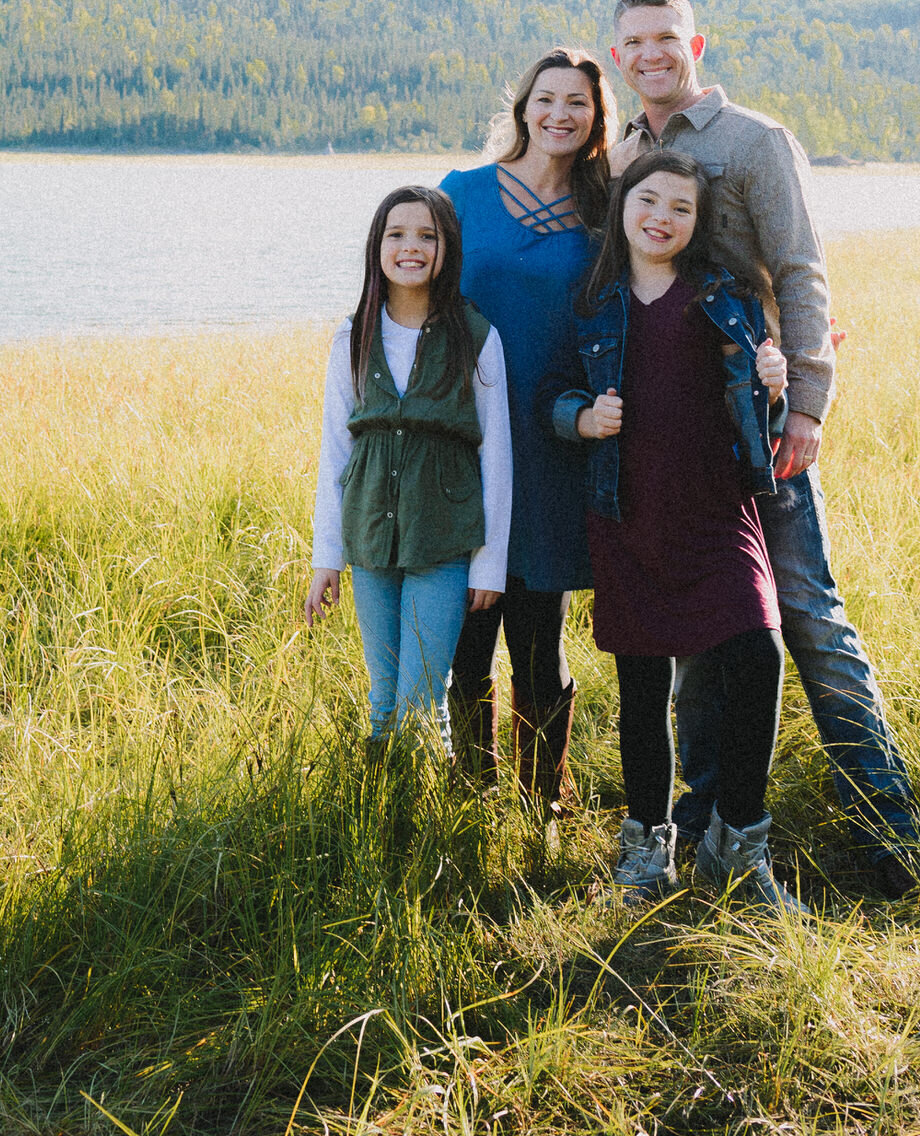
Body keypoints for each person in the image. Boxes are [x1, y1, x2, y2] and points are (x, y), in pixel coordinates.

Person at [608, 0, 920, 896]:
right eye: (635, 42)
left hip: (762, 427)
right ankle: (709, 836)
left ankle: (887, 835)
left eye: (668, 38)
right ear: (619, 57)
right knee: (704, 638)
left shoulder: (755, 141)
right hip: (672, 445)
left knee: (807, 619)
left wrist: (811, 403)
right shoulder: (624, 151)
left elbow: (799, 270)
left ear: (695, 48)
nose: (653, 54)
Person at [551, 148, 799, 910]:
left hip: (718, 510)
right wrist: (582, 417)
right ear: (623, 204)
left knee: (758, 654)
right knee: (642, 685)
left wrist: (774, 388)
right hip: (629, 512)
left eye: (681, 208)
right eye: (649, 201)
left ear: (696, 224)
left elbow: (763, 418)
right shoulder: (593, 302)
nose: (662, 217)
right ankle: (645, 849)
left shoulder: (723, 296)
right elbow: (552, 394)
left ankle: (739, 844)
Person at [440, 47, 617, 807]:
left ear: (596, 118)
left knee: (540, 636)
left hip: (554, 440)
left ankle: (540, 806)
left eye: (577, 102)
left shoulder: (607, 212)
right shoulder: (461, 195)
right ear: (522, 108)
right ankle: (470, 798)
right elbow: (407, 294)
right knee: (467, 630)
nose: (559, 114)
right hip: (464, 440)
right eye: (546, 99)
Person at [307, 185, 512, 746]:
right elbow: (335, 453)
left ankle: (423, 822)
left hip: (442, 543)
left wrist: (489, 564)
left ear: (448, 249)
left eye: (428, 235)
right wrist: (327, 556)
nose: (411, 247)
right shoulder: (352, 337)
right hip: (371, 542)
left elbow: (496, 454)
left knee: (422, 701)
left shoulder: (476, 338)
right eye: (396, 234)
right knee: (383, 698)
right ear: (377, 246)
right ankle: (385, 823)